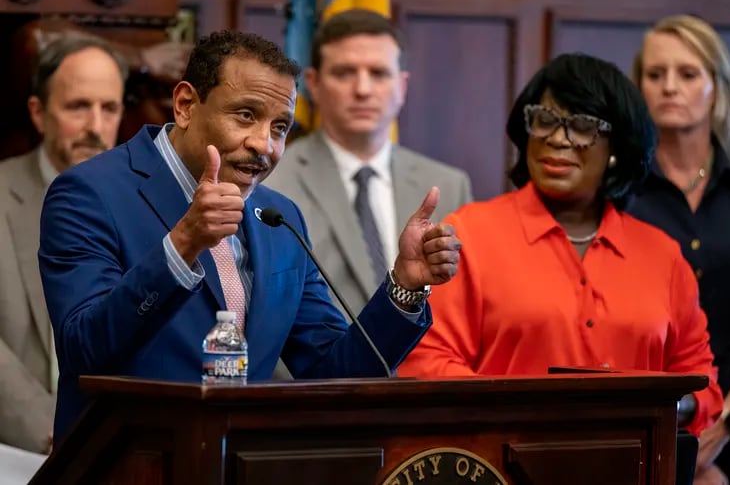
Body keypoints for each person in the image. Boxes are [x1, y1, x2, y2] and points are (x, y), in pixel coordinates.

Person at [38, 30, 462, 446]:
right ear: (186, 105)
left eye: (280, 127)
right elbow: (84, 350)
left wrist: (404, 288)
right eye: (245, 115)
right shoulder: (90, 192)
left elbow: (333, 373)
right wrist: (183, 243)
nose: (264, 145)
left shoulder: (278, 217)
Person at [397, 53, 723, 439]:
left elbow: (703, 387)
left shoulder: (662, 255)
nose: (557, 138)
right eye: (544, 120)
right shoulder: (469, 234)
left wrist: (661, 405)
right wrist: (528, 416)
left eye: (582, 126)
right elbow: (428, 364)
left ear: (617, 145)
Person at [266, 9, 472, 318]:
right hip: (314, 364)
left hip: (426, 363)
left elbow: (465, 306)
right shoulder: (273, 181)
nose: (362, 90)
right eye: (344, 73)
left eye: (378, 73)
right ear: (313, 84)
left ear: (402, 86)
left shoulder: (449, 185)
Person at [629, 14, 730, 485]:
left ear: (717, 88)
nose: (669, 87)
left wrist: (726, 423)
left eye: (687, 74)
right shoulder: (620, 192)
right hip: (643, 413)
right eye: (655, 74)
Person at [0, 34, 127, 453]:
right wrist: (57, 433)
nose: (95, 127)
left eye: (109, 108)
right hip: (19, 448)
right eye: (78, 107)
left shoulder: (149, 205)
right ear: (38, 113)